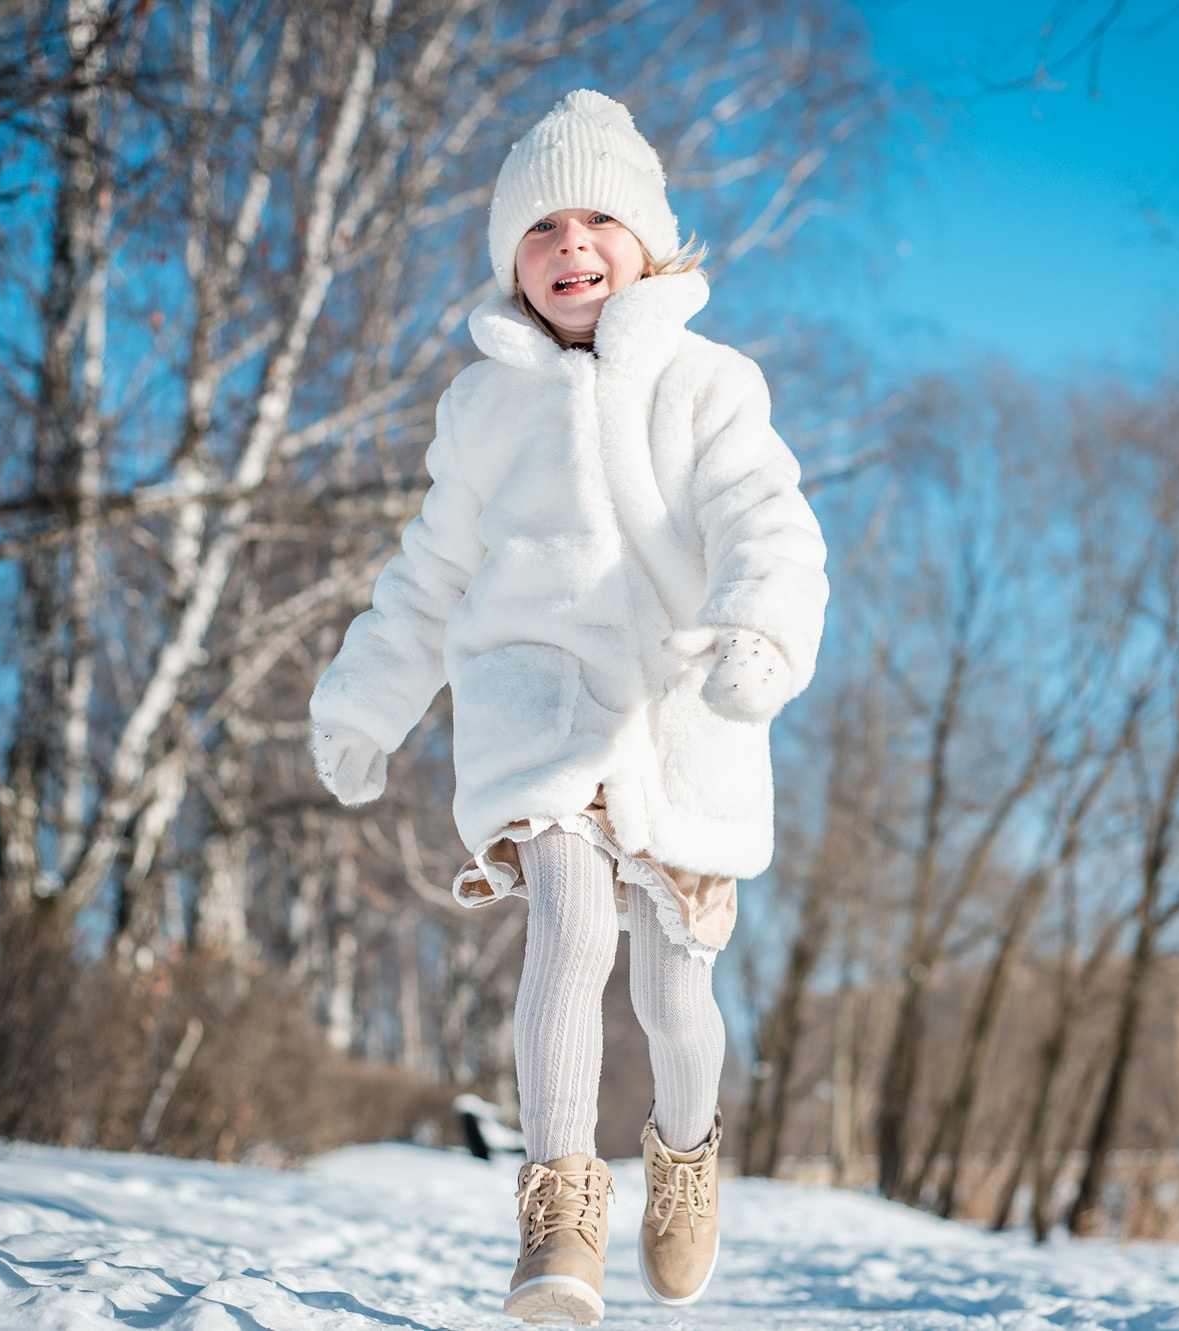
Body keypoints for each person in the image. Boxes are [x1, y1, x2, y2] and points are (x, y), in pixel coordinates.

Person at [308, 88, 828, 1326]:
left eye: (597, 219)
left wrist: (758, 631)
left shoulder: (707, 381)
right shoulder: (483, 406)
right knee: (568, 925)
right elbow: (429, 574)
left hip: (676, 713)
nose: (569, 244)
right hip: (536, 706)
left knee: (673, 996)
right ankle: (559, 1206)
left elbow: (765, 519)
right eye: (539, 227)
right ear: (511, 262)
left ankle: (683, 1150)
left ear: (647, 240)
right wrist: (365, 704)